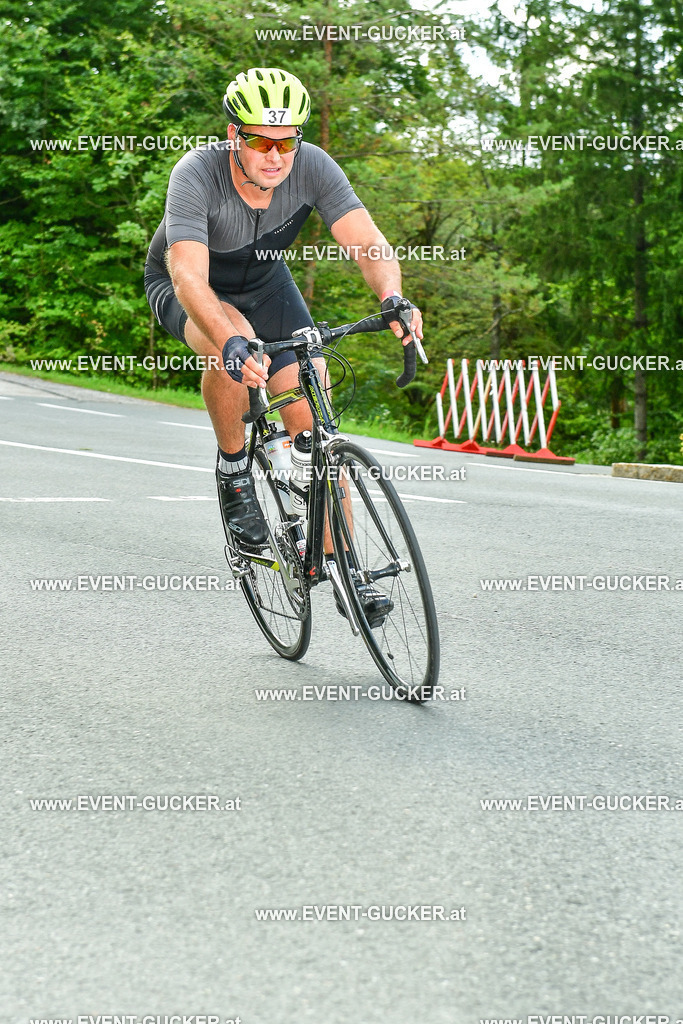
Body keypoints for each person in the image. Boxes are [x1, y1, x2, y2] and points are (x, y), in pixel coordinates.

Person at [144, 67, 422, 601]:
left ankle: (344, 568)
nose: (275, 156)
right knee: (239, 341)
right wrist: (228, 342)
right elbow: (187, 276)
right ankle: (233, 471)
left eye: (287, 141)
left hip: (268, 282)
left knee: (315, 418)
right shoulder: (197, 173)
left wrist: (392, 298)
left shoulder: (313, 166)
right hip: (189, 287)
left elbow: (368, 243)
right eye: (260, 141)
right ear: (234, 136)